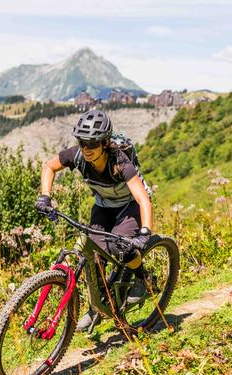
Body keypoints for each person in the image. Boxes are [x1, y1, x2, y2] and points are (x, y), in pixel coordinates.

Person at [35, 109, 153, 333]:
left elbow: (142, 198)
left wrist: (145, 232)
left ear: (105, 143)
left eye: (92, 143)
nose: (86, 149)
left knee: (122, 246)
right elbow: (49, 167)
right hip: (104, 206)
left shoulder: (120, 163)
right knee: (93, 254)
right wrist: (45, 195)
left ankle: (142, 278)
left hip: (130, 206)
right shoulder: (77, 155)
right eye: (82, 142)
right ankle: (97, 306)